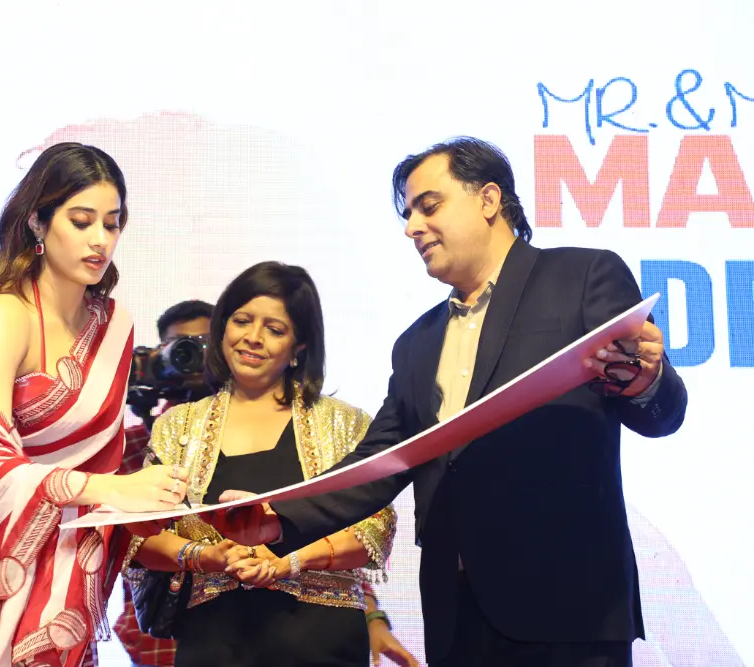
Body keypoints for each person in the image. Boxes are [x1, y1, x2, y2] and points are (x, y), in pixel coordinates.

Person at [211, 137, 689, 667]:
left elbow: (662, 411)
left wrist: (646, 382)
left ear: (488, 200)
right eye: (408, 215)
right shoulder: (417, 343)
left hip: (569, 606)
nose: (412, 228)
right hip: (457, 616)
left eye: (428, 206)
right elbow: (380, 461)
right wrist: (277, 515)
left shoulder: (583, 277)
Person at [0, 142, 189, 666]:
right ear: (37, 223)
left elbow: (104, 465)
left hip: (63, 564)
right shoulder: (1, 313)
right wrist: (112, 488)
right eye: (81, 221)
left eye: (112, 224)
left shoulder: (115, 325)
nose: (100, 239)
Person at [114, 298, 418, 667]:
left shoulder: (329, 424)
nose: (194, 358)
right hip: (179, 639)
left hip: (314, 638)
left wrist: (372, 615)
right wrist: (204, 557)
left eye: (203, 344)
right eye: (180, 349)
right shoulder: (139, 443)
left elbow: (354, 529)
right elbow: (133, 540)